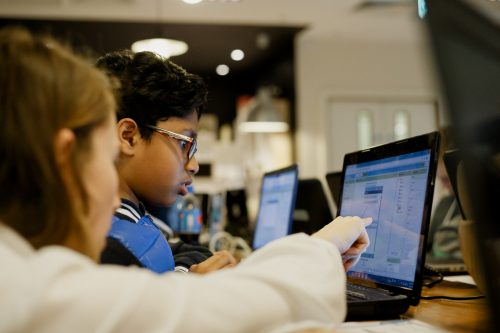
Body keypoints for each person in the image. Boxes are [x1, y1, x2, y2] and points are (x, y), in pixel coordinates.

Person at [0, 27, 372, 332]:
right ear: (67, 156)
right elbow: (239, 308)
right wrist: (323, 245)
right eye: (101, 155)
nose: (115, 199)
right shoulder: (31, 293)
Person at [96, 50, 226, 274]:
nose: (193, 164)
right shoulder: (103, 246)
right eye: (184, 144)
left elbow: (184, 250)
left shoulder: (134, 217)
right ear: (129, 136)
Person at [427, 127, 463, 261]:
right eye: (440, 179)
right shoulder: (445, 204)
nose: (443, 185)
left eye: (447, 179)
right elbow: (426, 250)